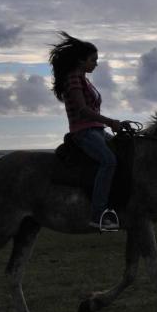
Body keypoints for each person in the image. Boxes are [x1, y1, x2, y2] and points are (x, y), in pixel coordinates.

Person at [49, 32, 129, 231]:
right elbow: (83, 110)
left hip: (96, 130)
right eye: (93, 60)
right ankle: (98, 214)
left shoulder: (84, 79)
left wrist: (114, 124)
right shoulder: (73, 79)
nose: (96, 64)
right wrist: (111, 122)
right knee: (108, 161)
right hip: (83, 131)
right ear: (81, 60)